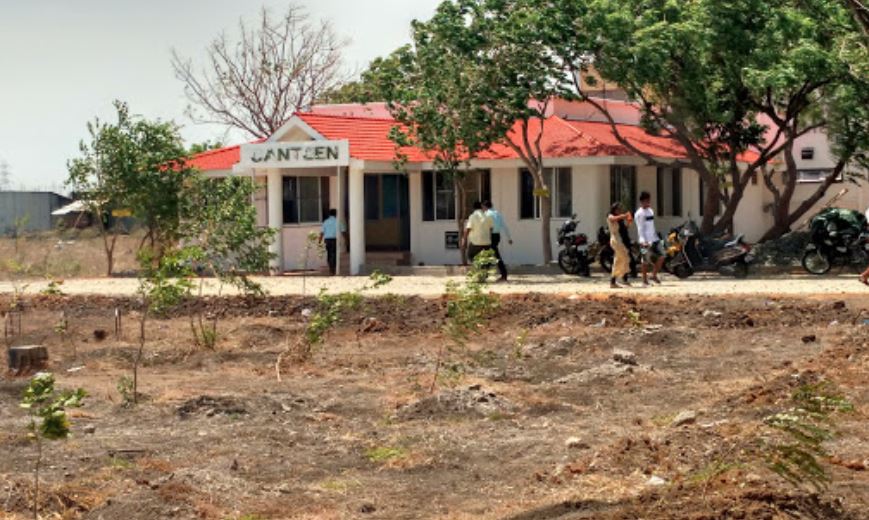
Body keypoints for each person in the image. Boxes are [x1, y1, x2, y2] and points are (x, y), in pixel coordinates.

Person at [635, 191, 665, 286]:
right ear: (642, 201)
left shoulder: (651, 211)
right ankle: (644, 280)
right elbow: (640, 228)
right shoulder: (639, 213)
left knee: (662, 255)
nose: (648, 202)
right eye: (646, 200)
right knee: (645, 260)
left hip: (654, 239)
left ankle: (654, 275)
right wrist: (643, 241)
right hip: (644, 241)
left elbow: (651, 225)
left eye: (649, 200)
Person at [607, 202, 633, 288]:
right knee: (624, 257)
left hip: (620, 240)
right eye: (618, 209)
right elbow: (613, 219)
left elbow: (625, 228)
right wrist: (624, 215)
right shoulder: (610, 216)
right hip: (615, 240)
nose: (619, 210)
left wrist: (629, 222)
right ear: (614, 209)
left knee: (619, 260)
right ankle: (622, 278)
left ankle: (613, 281)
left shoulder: (619, 220)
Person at [482, 200, 510, 281]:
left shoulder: (486, 214)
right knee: (489, 254)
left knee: (492, 254)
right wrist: (509, 238)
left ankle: (502, 274)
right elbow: (504, 226)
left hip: (490, 236)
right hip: (497, 236)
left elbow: (485, 227)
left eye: (483, 207)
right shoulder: (497, 213)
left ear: (485, 206)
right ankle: (486, 275)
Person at [463, 200, 495, 265]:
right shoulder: (488, 216)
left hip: (476, 243)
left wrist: (464, 239)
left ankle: (478, 267)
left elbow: (468, 229)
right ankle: (483, 270)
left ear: (473, 208)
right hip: (486, 243)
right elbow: (491, 228)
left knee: (470, 255)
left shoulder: (472, 216)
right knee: (485, 259)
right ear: (481, 207)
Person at [319, 209, 346, 276]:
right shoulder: (338, 222)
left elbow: (322, 232)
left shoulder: (325, 222)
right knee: (334, 254)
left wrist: (319, 241)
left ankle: (331, 268)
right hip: (334, 240)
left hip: (327, 240)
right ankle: (333, 269)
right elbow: (343, 231)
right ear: (335, 214)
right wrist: (346, 240)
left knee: (329, 254)